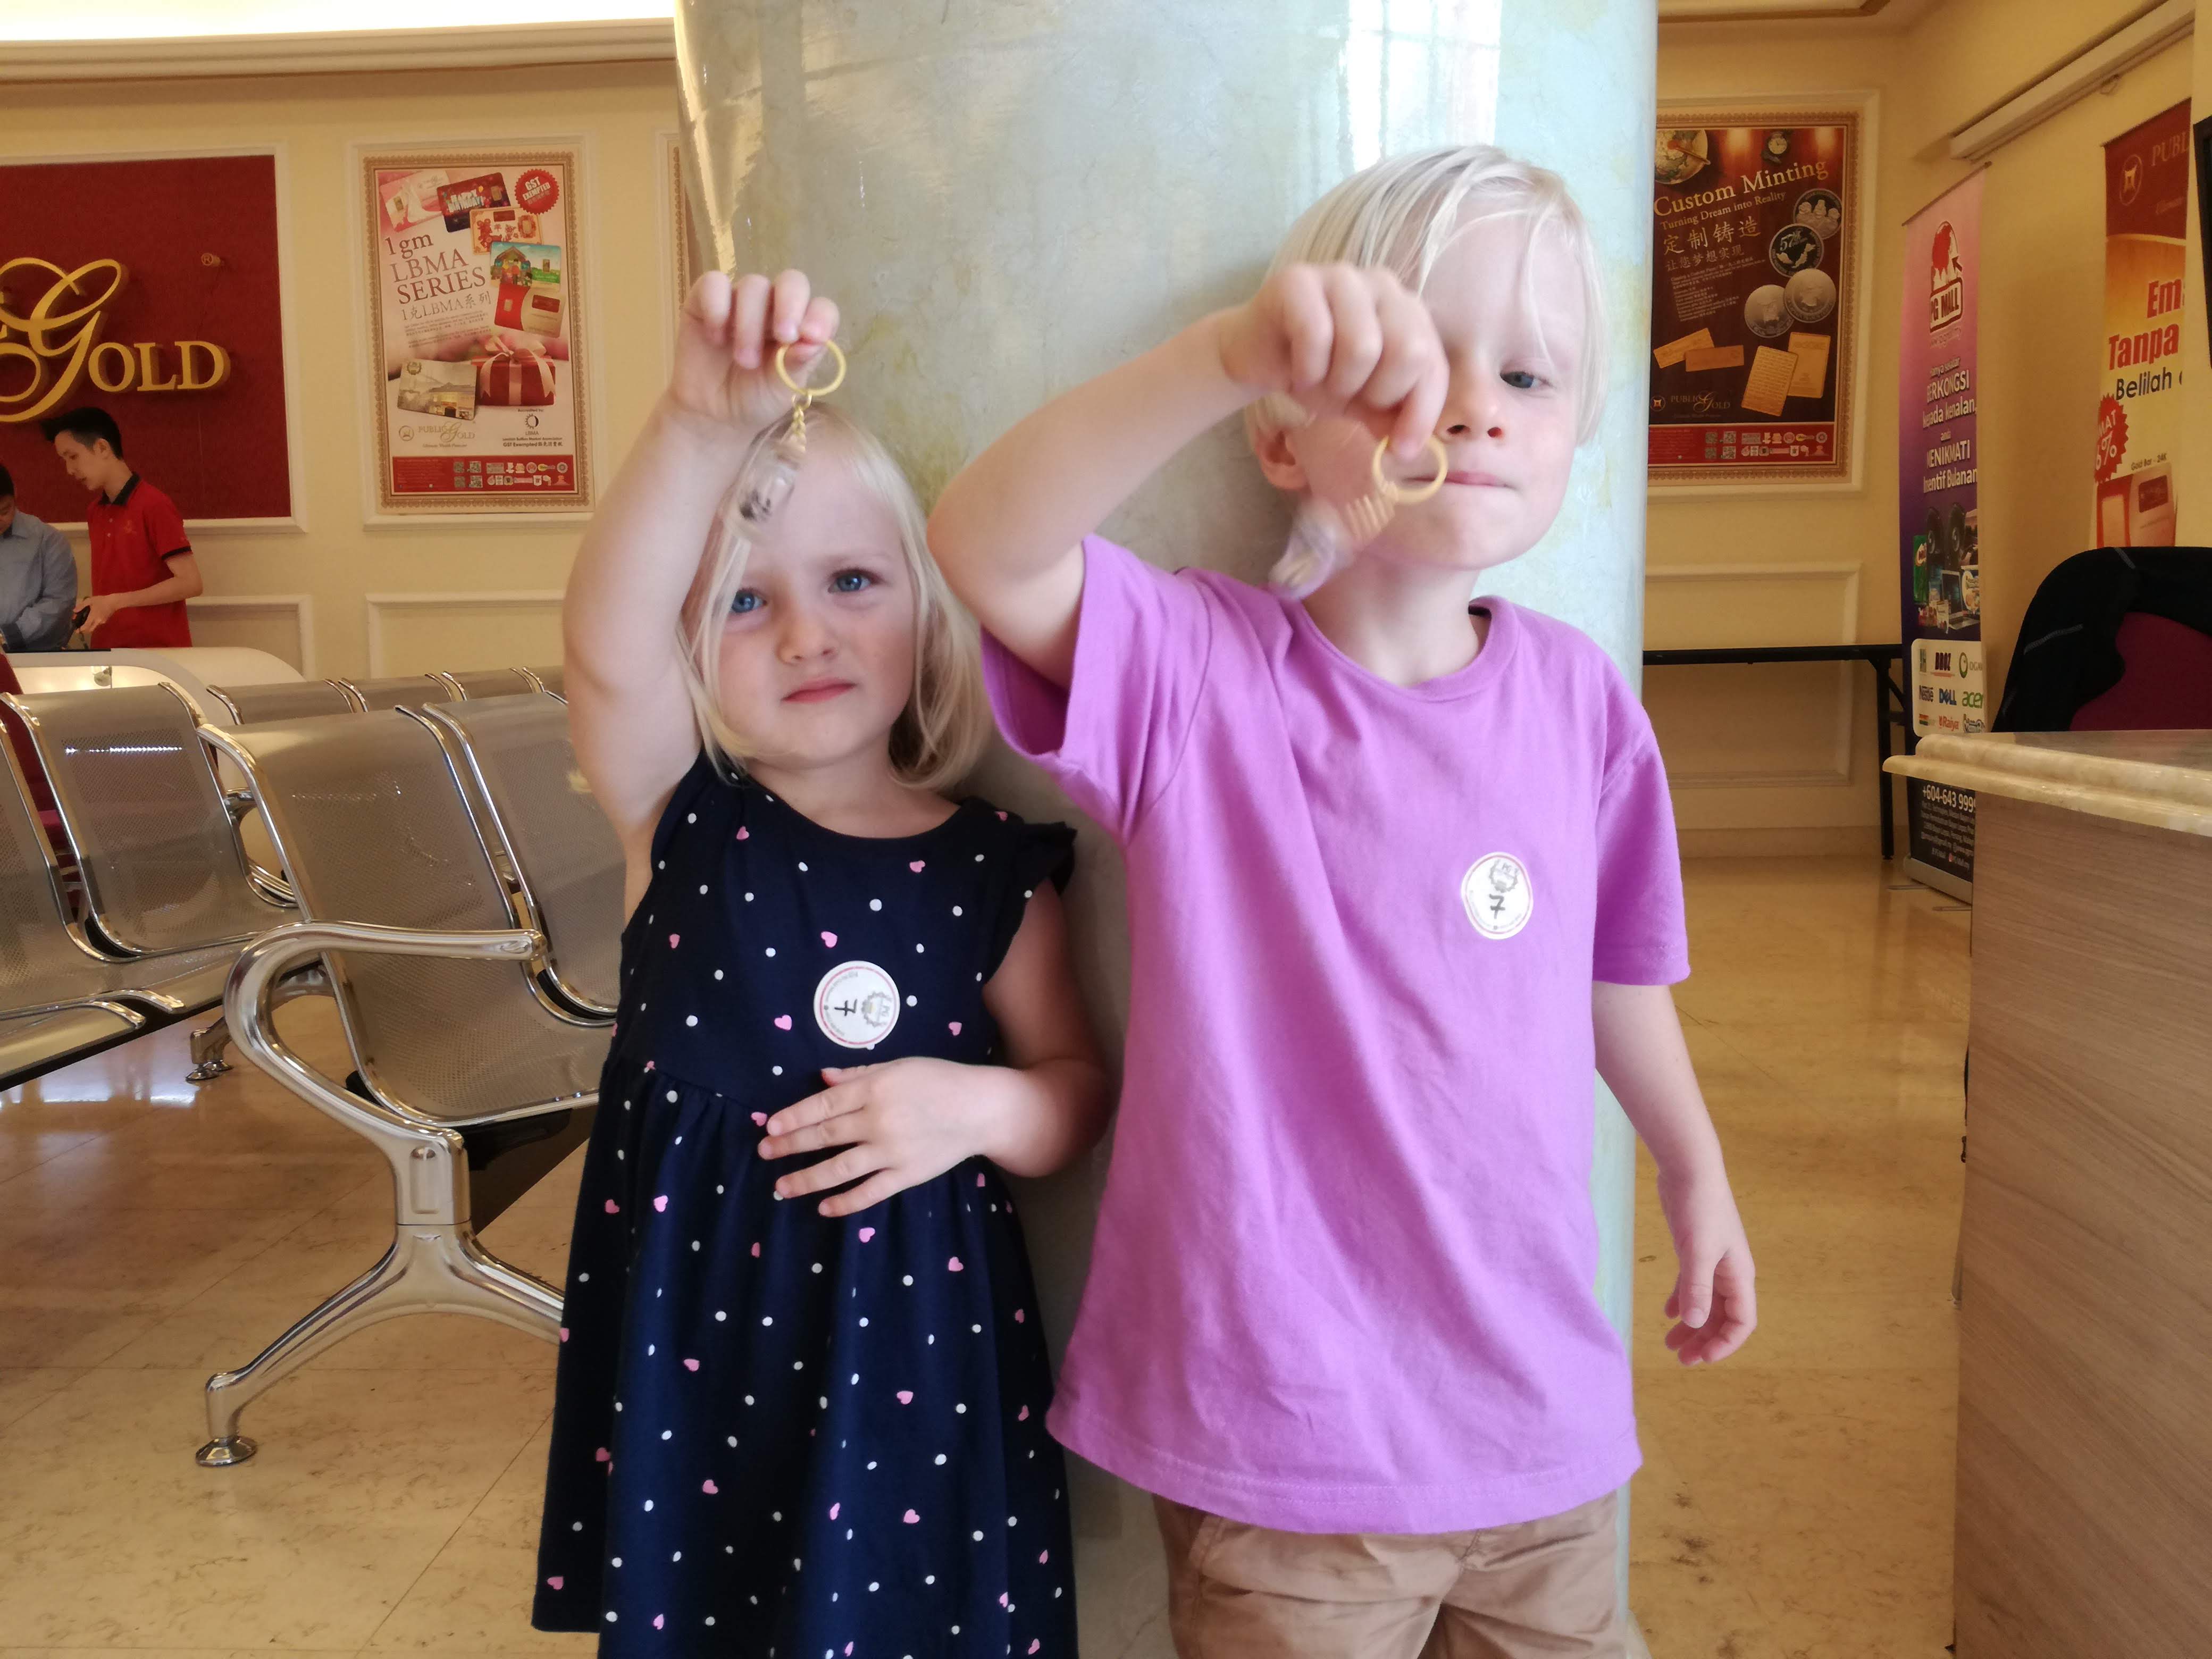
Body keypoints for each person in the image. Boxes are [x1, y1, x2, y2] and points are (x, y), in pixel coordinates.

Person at [929, 146, 1758, 1657]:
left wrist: (1693, 1167)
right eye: (1409, 369)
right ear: (1281, 437)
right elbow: (987, 540)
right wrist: (1223, 353)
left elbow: (1617, 969)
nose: (1476, 406)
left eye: (1528, 375)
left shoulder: (1580, 702)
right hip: (1285, 1449)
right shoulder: (1197, 674)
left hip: (1543, 1430)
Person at [533, 267, 1107, 1656]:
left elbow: (1075, 1087)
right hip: (702, 1365)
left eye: (853, 581)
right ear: (690, 644)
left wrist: (978, 1106)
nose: (806, 633)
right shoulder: (681, 817)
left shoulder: (991, 870)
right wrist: (695, 424)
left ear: (924, 607)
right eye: (744, 602)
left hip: (912, 1371)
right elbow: (604, 645)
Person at [39, 406, 201, 649]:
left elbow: (191, 583)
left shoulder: (154, 504)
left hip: (158, 652)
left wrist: (114, 602)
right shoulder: (95, 511)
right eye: (65, 460)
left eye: (73, 457)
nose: (70, 470)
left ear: (102, 448)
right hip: (108, 649)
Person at [0, 464, 78, 652]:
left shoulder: (48, 540)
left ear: (15, 495)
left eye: (4, 511)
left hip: (36, 654)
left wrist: (8, 636)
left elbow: (59, 602)